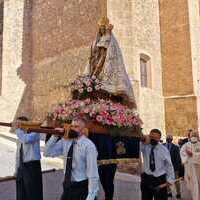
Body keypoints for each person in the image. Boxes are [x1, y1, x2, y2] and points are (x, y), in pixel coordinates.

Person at [84, 16, 136, 108]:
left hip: (101, 71)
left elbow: (103, 56)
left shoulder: (106, 38)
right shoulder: (96, 41)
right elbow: (93, 56)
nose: (101, 29)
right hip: (95, 67)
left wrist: (94, 74)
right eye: (100, 28)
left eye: (102, 27)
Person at [44, 118, 99, 200]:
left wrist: (91, 196)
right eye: (72, 126)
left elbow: (92, 173)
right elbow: (47, 153)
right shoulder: (65, 141)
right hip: (67, 185)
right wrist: (55, 136)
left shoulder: (89, 146)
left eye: (76, 127)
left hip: (81, 186)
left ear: (83, 130)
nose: (73, 129)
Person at [140, 129, 175, 200]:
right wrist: (143, 139)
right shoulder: (144, 146)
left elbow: (169, 165)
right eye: (151, 137)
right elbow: (137, 147)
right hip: (146, 178)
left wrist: (170, 179)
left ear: (159, 139)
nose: (153, 139)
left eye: (156, 138)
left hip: (160, 179)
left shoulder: (164, 150)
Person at [14, 116, 43, 200]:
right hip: (21, 168)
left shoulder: (35, 132)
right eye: (17, 124)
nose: (18, 126)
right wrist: (16, 170)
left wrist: (17, 130)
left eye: (20, 124)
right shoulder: (20, 136)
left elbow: (26, 139)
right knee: (21, 194)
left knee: (33, 194)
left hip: (32, 167)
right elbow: (18, 155)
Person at [180, 131, 200, 200]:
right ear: (190, 137)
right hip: (189, 168)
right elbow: (182, 153)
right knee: (191, 184)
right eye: (192, 135)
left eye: (195, 135)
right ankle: (194, 197)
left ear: (197, 136)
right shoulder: (186, 145)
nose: (194, 137)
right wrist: (186, 157)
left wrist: (193, 155)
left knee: (196, 184)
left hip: (198, 168)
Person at [164, 134, 182, 199]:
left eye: (170, 138)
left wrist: (177, 168)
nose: (169, 138)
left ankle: (178, 193)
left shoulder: (176, 147)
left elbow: (178, 158)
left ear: (172, 139)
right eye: (167, 137)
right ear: (166, 138)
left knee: (176, 181)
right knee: (166, 180)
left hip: (174, 167)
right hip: (165, 167)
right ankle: (169, 193)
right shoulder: (162, 146)